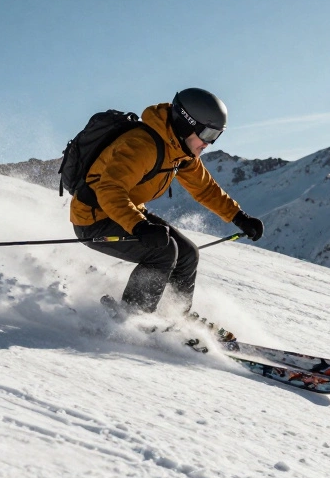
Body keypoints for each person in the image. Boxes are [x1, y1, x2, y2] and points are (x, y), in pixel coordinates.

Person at [70, 88, 264, 316]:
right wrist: (139, 226)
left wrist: (239, 217)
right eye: (208, 135)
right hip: (94, 217)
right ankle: (133, 317)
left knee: (188, 255)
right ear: (186, 124)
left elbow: (204, 188)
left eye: (216, 137)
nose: (209, 144)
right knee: (162, 252)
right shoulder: (143, 145)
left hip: (127, 213)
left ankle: (175, 316)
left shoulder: (180, 151)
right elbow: (109, 190)